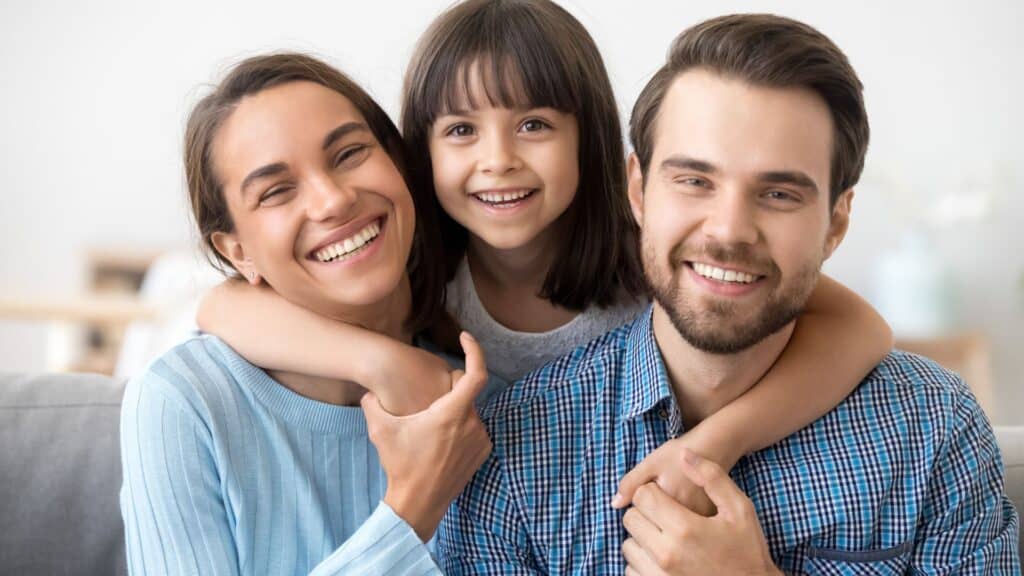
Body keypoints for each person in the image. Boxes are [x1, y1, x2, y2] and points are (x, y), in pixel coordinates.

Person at [197, 0, 893, 516]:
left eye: (533, 125)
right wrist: (382, 360)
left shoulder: (651, 254)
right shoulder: (425, 276)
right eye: (462, 130)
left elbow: (860, 329)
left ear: (589, 138)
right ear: (421, 150)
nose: (498, 161)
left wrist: (716, 442)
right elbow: (220, 303)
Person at [437, 13, 1021, 574]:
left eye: (780, 194)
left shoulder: (933, 429)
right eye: (694, 181)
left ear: (837, 222)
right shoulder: (512, 452)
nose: (728, 231)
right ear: (637, 190)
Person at [119, 53, 495, 575]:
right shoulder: (184, 402)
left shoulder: (483, 389)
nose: (332, 201)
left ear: (398, 163)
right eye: (276, 191)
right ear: (237, 252)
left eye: (349, 154)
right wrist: (412, 509)